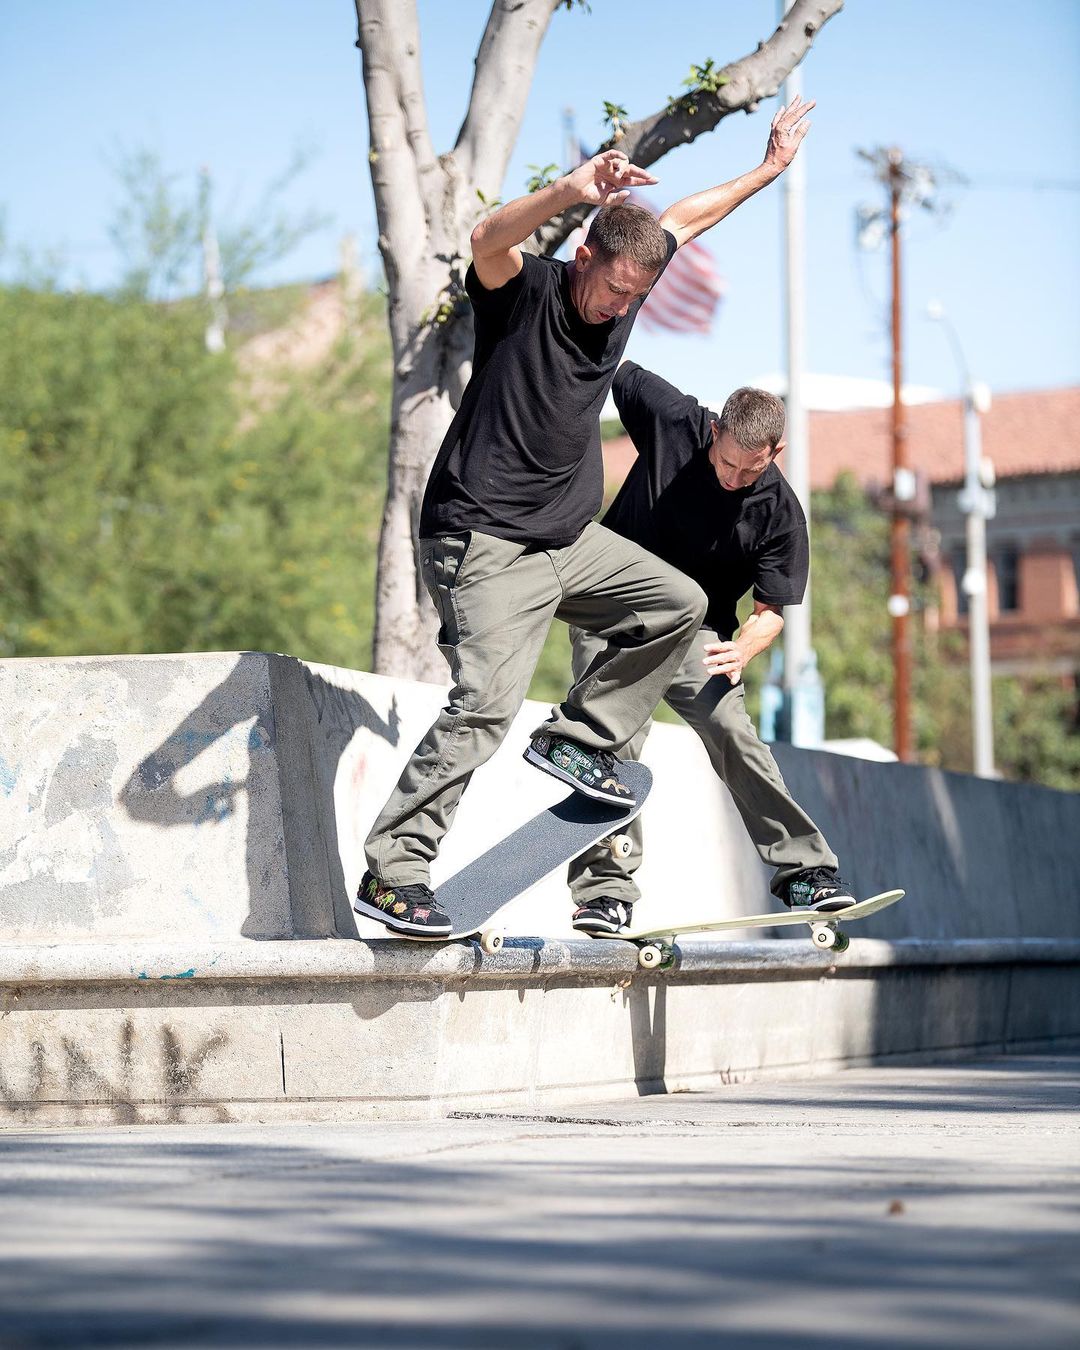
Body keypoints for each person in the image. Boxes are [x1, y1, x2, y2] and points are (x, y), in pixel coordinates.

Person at [356, 98, 816, 939]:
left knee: (675, 601)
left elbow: (685, 214)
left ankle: (582, 736)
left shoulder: (631, 284)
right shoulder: (524, 291)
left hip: (568, 541)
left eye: (633, 294)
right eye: (609, 288)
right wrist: (571, 186)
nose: (616, 307)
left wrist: (767, 170)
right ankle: (394, 870)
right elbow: (488, 238)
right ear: (582, 256)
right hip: (482, 537)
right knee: (487, 706)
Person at [567, 363, 857, 936]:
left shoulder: (779, 511)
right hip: (615, 613)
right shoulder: (674, 418)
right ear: (716, 428)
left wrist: (744, 650)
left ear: (775, 452)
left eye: (750, 470)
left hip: (699, 636)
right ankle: (605, 890)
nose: (732, 478)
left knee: (735, 736)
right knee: (612, 742)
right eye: (725, 462)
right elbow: (598, 365)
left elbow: (770, 612)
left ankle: (805, 870)